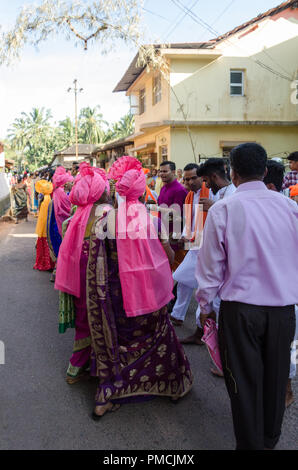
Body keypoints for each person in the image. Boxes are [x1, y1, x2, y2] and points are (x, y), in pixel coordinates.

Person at [55, 159, 193, 418]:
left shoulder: (106, 223)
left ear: (119, 191)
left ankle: (107, 394)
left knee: (116, 341)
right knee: (162, 334)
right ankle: (171, 385)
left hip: (115, 301)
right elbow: (168, 254)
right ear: (142, 192)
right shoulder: (152, 221)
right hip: (149, 298)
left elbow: (96, 265)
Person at [196, 143, 298, 450]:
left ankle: (252, 444)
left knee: (243, 384)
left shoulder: (224, 209)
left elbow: (211, 265)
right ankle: (269, 440)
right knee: (276, 379)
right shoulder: (291, 208)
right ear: (265, 171)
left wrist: (205, 307)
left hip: (241, 312)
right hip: (282, 311)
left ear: (233, 173)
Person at [263, 159, 298, 408]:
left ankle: (287, 388)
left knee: (287, 345)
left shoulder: (289, 210)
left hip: (287, 293)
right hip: (264, 292)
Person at [34, 180, 55, 271]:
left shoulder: (43, 199)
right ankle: (48, 264)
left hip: (42, 228)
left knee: (43, 245)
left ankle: (44, 264)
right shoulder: (49, 198)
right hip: (47, 227)